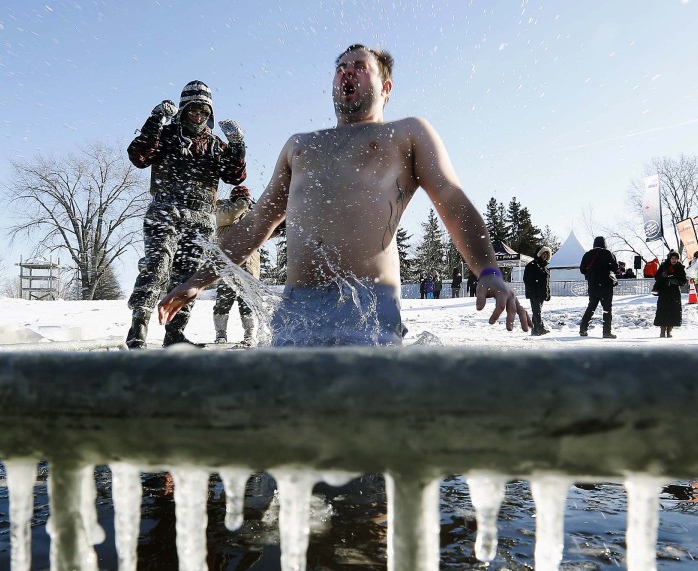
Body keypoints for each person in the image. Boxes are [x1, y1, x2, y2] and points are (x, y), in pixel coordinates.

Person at [158, 44, 529, 345]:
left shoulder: (406, 133)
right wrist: (197, 280)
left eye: (360, 66)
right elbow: (256, 223)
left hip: (368, 306)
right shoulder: (299, 145)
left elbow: (451, 200)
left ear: (386, 87)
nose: (346, 71)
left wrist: (488, 270)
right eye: (340, 67)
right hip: (296, 312)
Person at [124, 81, 248, 348]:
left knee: (188, 277)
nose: (199, 116)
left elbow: (234, 176)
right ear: (183, 110)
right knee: (157, 267)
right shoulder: (166, 135)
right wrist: (155, 120)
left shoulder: (215, 145)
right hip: (165, 212)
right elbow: (139, 156)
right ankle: (139, 326)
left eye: (204, 111)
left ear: (210, 114)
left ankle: (175, 334)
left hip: (200, 219)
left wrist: (238, 145)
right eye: (194, 110)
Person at [213, 185, 260, 346]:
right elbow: (233, 213)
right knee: (223, 302)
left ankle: (249, 335)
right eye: (244, 199)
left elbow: (263, 234)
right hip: (228, 267)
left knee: (248, 303)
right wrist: (244, 203)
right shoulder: (223, 211)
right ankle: (220, 334)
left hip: (249, 267)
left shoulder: (250, 217)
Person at [578, 235, 619, 339]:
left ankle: (583, 328)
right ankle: (606, 332)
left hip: (593, 286)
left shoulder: (587, 254)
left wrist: (592, 273)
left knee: (591, 307)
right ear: (604, 243)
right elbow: (615, 267)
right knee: (607, 309)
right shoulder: (607, 253)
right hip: (606, 286)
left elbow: (582, 269)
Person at [652, 251, 686, 338]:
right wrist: (663, 275)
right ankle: (662, 331)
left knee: (673, 311)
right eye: (672, 258)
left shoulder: (680, 267)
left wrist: (677, 281)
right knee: (663, 311)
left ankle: (669, 331)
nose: (674, 260)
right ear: (669, 259)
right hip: (664, 291)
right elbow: (656, 277)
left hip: (674, 292)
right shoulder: (664, 266)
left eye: (676, 258)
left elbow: (683, 281)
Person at [523, 246, 551, 336]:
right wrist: (532, 289)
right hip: (534, 292)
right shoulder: (531, 265)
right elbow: (526, 279)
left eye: (546, 254)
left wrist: (548, 292)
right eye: (543, 254)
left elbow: (546, 282)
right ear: (539, 254)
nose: (545, 256)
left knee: (537, 311)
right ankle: (540, 328)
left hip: (542, 292)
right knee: (537, 311)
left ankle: (535, 329)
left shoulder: (545, 267)